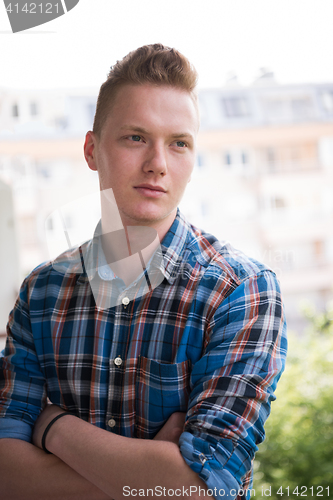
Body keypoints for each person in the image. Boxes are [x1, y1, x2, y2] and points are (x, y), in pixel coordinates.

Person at [0, 44, 287, 500]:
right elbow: (6, 475)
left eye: (179, 143)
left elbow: (201, 489)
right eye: (135, 137)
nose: (158, 163)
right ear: (92, 150)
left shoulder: (241, 291)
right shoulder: (42, 292)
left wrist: (53, 427)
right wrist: (151, 475)